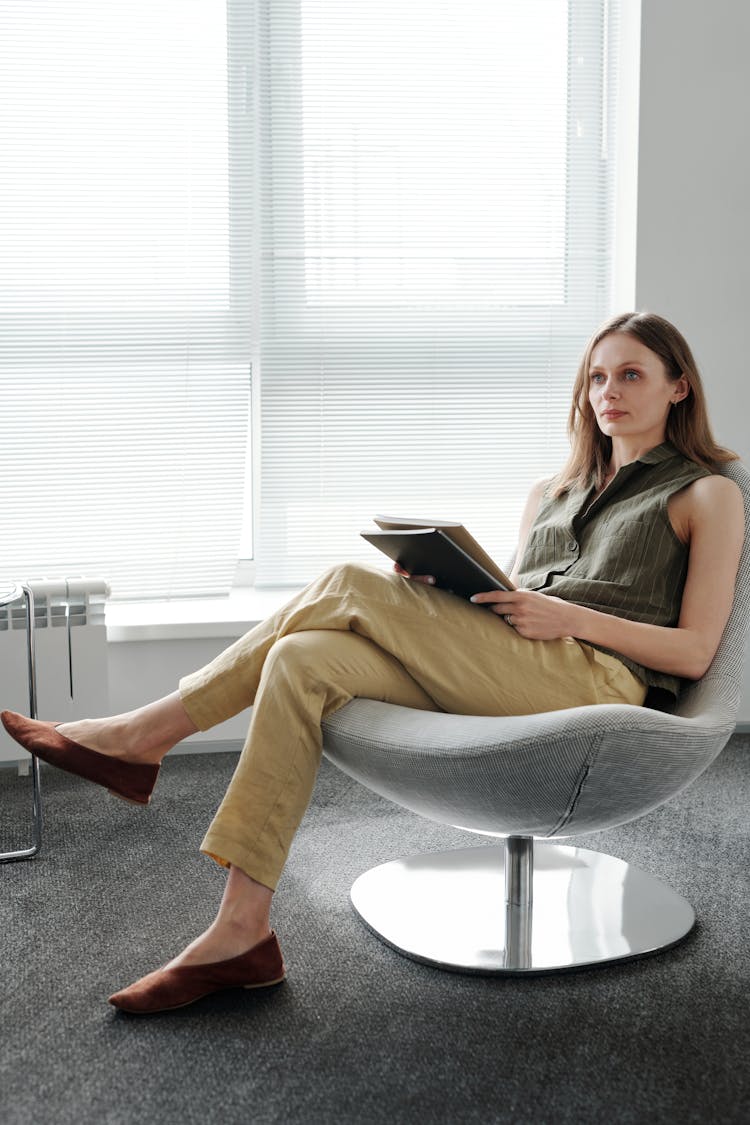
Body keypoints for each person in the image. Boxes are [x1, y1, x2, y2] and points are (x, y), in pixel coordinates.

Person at [2, 311, 744, 1014]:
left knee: (345, 582)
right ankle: (243, 931)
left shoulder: (707, 493)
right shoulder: (552, 491)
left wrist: (569, 617)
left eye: (631, 376)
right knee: (300, 657)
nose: (607, 393)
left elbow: (696, 649)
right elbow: (518, 598)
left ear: (679, 385)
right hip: (518, 663)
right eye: (595, 378)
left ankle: (142, 736)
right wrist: (448, 590)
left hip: (598, 681)